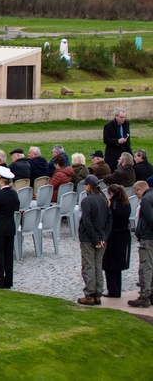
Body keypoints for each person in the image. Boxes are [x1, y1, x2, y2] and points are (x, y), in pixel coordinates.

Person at [77, 175, 112, 305]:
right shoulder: (104, 199)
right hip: (101, 237)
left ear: (88, 186)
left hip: (89, 238)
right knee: (98, 266)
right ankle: (98, 293)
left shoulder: (87, 201)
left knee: (89, 266)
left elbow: (87, 222)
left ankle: (90, 293)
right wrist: (103, 238)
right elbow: (109, 220)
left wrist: (96, 239)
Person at [0, 167, 19, 289]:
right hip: (10, 227)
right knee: (8, 255)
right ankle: (8, 280)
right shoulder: (14, 194)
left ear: (0, 180)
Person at [102, 184, 132, 299]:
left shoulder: (112, 204)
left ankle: (112, 290)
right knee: (118, 264)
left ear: (111, 193)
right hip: (123, 234)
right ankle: (117, 289)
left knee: (109, 264)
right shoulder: (126, 203)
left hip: (113, 235)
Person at [128, 181, 153, 309]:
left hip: (148, 237)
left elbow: (150, 218)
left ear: (140, 189)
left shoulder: (146, 200)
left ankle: (144, 296)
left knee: (145, 267)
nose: (136, 195)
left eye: (136, 192)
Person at [103, 108, 131, 172]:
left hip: (124, 150)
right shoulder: (108, 126)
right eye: (121, 117)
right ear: (116, 116)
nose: (123, 119)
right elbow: (106, 140)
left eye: (124, 117)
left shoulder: (126, 123)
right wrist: (117, 141)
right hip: (113, 153)